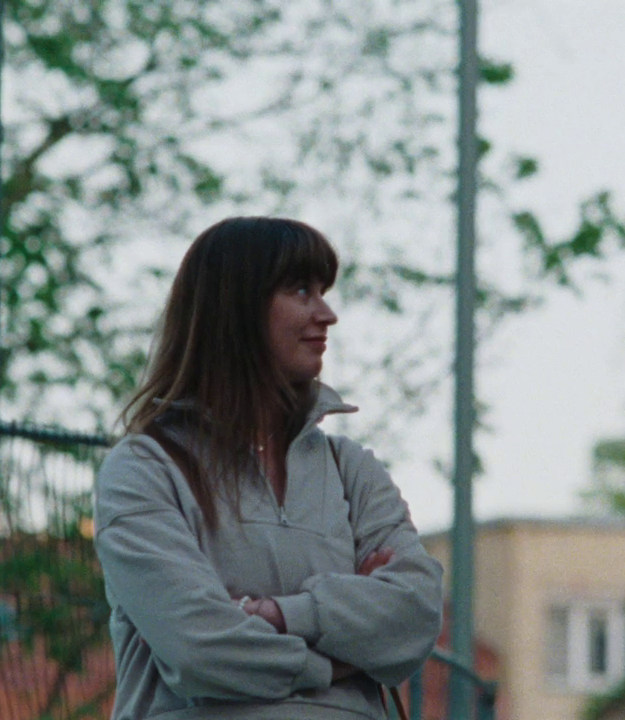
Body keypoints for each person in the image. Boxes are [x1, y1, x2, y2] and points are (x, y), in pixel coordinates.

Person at [94, 217, 444, 719]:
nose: (326, 314)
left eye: (322, 291)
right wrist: (337, 661)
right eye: (301, 290)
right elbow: (200, 650)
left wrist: (277, 614)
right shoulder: (145, 468)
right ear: (234, 308)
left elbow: (415, 612)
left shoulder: (350, 470)